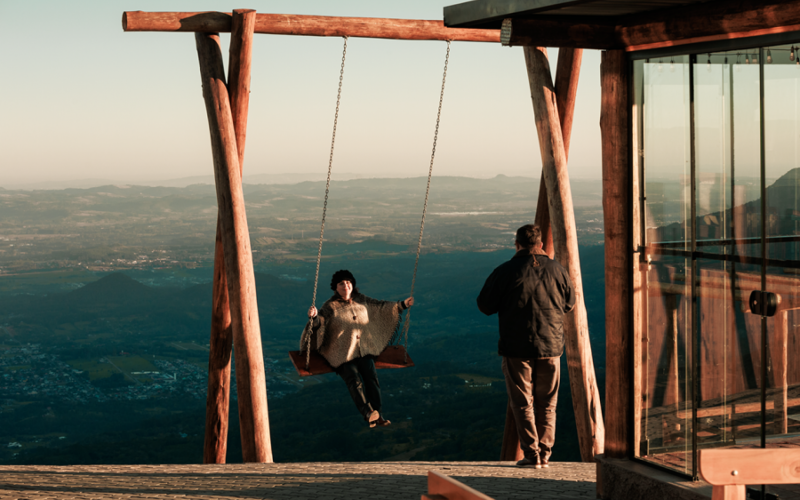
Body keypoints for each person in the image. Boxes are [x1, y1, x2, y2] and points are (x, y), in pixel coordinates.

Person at [476, 224, 575, 469]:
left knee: (522, 402)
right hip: (551, 346)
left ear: (517, 244)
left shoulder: (505, 271)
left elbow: (485, 305)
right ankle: (546, 452)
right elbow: (569, 304)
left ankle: (532, 454)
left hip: (516, 346)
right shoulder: (558, 270)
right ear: (540, 244)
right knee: (548, 403)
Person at [301, 269, 414, 428]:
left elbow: (381, 307)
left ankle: (378, 414)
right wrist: (313, 317)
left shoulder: (362, 299)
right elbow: (321, 320)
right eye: (341, 283)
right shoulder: (330, 306)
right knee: (354, 381)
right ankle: (367, 413)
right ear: (336, 288)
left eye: (348, 282)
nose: (346, 285)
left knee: (372, 380)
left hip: (363, 350)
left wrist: (403, 305)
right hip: (341, 353)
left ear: (352, 284)